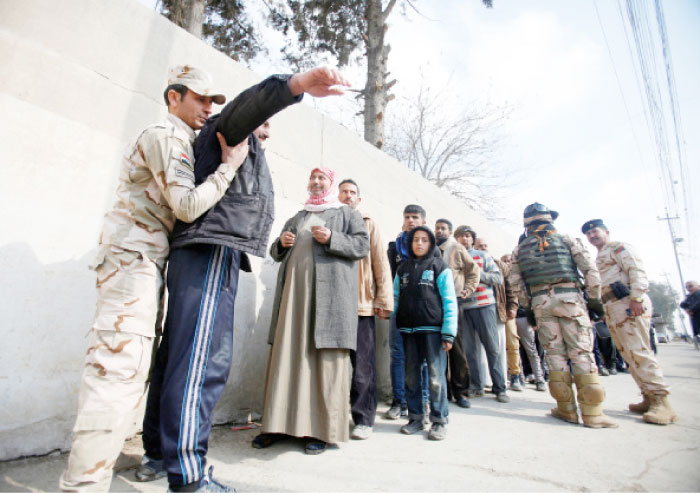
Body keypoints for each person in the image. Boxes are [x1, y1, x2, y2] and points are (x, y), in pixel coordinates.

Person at [137, 66, 351, 491]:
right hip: (210, 250)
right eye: (263, 121)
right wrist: (295, 86)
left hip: (211, 251)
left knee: (180, 357)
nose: (265, 130)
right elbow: (248, 107)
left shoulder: (240, 148)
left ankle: (160, 455)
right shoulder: (228, 131)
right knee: (202, 362)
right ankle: (190, 475)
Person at [59, 66, 251, 492]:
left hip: (141, 264)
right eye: (199, 99)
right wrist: (229, 168)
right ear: (173, 97)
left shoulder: (179, 139)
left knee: (125, 379)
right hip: (132, 264)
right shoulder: (166, 137)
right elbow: (184, 205)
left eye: (211, 102)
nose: (207, 108)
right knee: (115, 379)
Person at [252, 167, 369, 454]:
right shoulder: (298, 216)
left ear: (330, 185)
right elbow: (276, 251)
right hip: (294, 300)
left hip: (328, 301)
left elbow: (361, 245)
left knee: (324, 362)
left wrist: (332, 238)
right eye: (313, 178)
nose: (316, 183)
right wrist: (280, 244)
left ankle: (319, 430)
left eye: (322, 179)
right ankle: (277, 425)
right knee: (287, 358)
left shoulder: (346, 214)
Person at [509, 204, 617, 428]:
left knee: (555, 355)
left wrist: (529, 307)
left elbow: (516, 284)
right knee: (581, 354)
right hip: (571, 300)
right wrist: (595, 300)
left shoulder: (519, 250)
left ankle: (566, 409)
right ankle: (592, 414)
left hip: (541, 304)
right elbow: (590, 271)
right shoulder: (568, 240)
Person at [583, 219, 678, 425]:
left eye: (595, 232)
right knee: (628, 354)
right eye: (588, 234)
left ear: (606, 231)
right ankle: (648, 396)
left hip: (628, 302)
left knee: (639, 351)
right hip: (613, 307)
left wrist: (636, 298)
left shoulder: (618, 247)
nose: (592, 236)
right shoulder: (600, 255)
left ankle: (662, 402)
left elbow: (636, 271)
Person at [338, 179, 393, 440]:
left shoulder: (368, 223)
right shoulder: (330, 220)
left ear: (359, 199)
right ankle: (334, 418)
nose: (348, 196)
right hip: (334, 307)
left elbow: (381, 262)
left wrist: (384, 300)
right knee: (333, 366)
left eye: (352, 192)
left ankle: (364, 418)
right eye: (344, 192)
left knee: (363, 367)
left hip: (362, 305)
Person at [393, 226, 458, 440]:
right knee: (411, 378)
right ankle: (416, 418)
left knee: (436, 378)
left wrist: (448, 333)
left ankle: (439, 420)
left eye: (424, 240)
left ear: (430, 243)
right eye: (415, 240)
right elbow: (395, 298)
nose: (419, 243)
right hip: (409, 332)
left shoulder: (439, 267)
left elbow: (449, 301)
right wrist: (395, 319)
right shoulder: (402, 269)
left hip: (433, 332)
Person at [385, 205, 430, 419]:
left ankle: (423, 401)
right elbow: (387, 276)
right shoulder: (394, 247)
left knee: (422, 356)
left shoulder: (432, 249)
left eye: (415, 217)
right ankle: (399, 401)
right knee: (397, 354)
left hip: (424, 309)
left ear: (423, 221)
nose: (411, 220)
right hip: (398, 306)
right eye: (407, 217)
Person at [454, 226, 508, 403]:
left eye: (468, 236)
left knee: (492, 348)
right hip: (465, 308)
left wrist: (477, 274)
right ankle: (476, 387)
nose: (464, 239)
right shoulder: (454, 257)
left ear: (472, 239)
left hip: (485, 306)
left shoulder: (483, 256)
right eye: (460, 236)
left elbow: (497, 278)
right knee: (470, 351)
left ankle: (500, 388)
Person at [435, 219, 480, 409]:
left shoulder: (457, 248)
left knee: (457, 347)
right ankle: (442, 391)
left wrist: (468, 289)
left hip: (454, 302)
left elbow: (474, 270)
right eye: (437, 228)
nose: (439, 231)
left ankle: (461, 392)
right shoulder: (430, 248)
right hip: (435, 304)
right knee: (438, 348)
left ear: (450, 232)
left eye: (443, 228)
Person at [476, 239, 521, 392]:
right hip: (480, 309)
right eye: (480, 246)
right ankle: (485, 380)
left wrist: (512, 306)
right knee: (482, 347)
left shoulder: (499, 265)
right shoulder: (472, 262)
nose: (483, 248)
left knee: (500, 346)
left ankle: (503, 379)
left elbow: (511, 287)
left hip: (499, 310)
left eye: (485, 245)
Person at [680, 280, 700, 349]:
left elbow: (698, 304)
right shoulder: (689, 296)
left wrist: (691, 310)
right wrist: (687, 309)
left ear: (698, 286)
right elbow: (682, 304)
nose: (689, 289)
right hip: (695, 318)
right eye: (687, 287)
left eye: (691, 286)